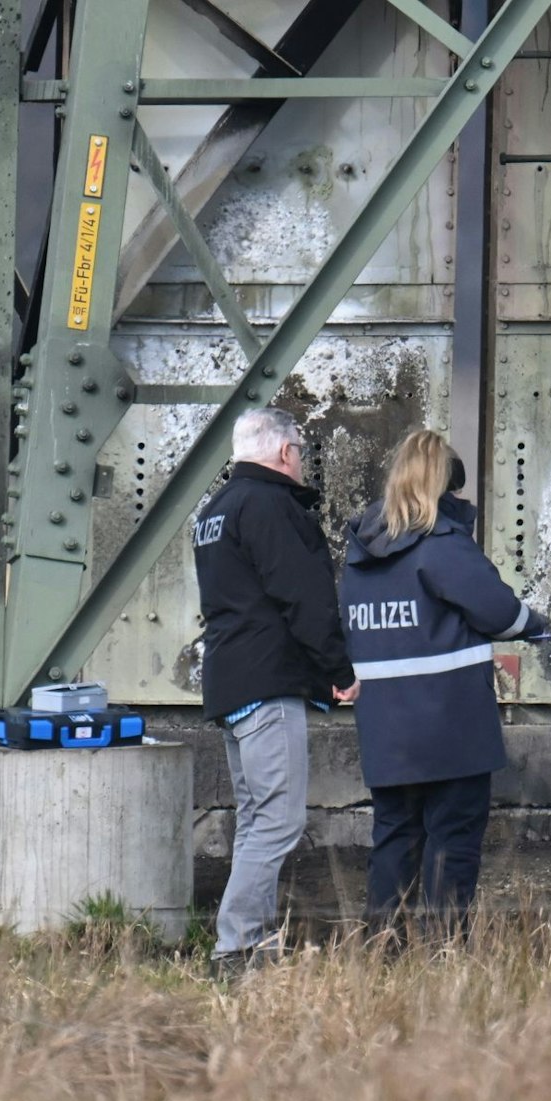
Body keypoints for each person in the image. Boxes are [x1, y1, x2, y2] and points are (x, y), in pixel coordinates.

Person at [339, 430, 549, 938]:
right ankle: (441, 952)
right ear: (445, 485)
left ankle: (380, 947)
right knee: (452, 838)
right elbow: (498, 610)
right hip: (451, 727)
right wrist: (541, 625)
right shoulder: (442, 546)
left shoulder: (359, 555)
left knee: (394, 837)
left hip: (386, 730)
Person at [192, 406, 359, 978]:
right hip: (267, 683)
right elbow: (304, 595)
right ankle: (237, 949)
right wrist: (338, 669)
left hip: (232, 682)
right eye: (302, 454)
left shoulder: (215, 510)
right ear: (286, 452)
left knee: (257, 817)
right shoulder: (269, 506)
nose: (302, 464)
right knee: (278, 821)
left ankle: (251, 948)